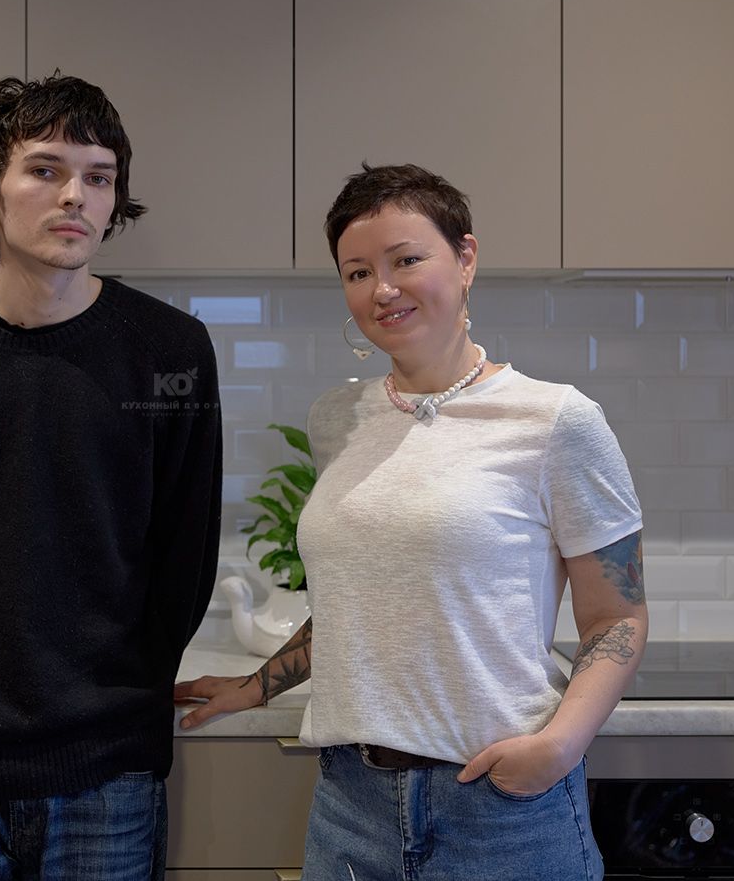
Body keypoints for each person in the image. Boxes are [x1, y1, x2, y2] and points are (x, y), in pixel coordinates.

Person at [175, 163, 645, 881]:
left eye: (406, 260)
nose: (382, 289)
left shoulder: (557, 420)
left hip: (499, 807)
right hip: (350, 803)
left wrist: (559, 746)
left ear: (465, 257)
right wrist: (258, 684)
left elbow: (617, 615)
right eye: (358, 272)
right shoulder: (338, 417)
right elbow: (363, 600)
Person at [0, 73, 222, 880]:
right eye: (46, 169)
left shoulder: (169, 349)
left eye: (99, 177)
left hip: (109, 767)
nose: (76, 196)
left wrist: (123, 699)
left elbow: (185, 556)